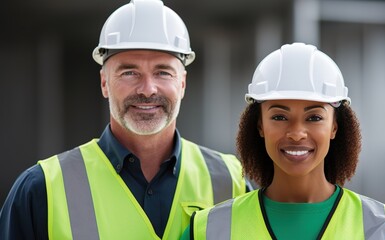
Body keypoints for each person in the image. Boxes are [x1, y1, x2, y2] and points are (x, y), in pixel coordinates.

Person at [0, 0, 248, 239]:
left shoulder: (230, 182)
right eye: (129, 72)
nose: (148, 89)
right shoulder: (41, 189)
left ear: (182, 83)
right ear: (104, 83)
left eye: (163, 72)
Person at [182, 43, 385, 239]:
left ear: (334, 127)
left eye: (314, 117)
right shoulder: (206, 230)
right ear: (260, 125)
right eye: (279, 117)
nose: (297, 133)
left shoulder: (384, 229)